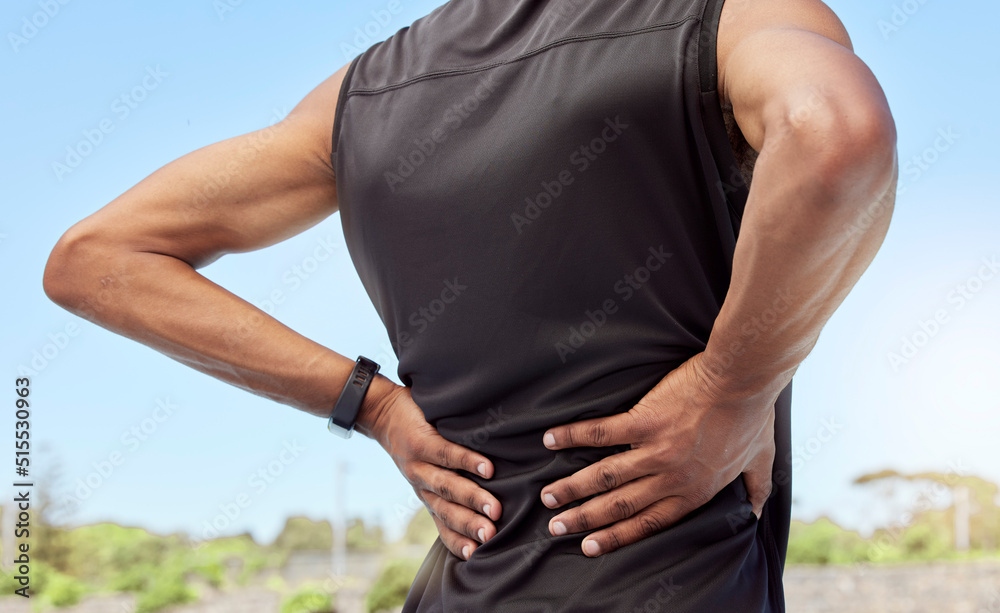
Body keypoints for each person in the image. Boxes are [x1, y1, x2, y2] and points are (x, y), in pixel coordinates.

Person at [42, 0, 897, 610]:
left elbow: (93, 259)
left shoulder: (362, 95)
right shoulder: (729, 20)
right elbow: (836, 130)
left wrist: (370, 404)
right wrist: (732, 387)